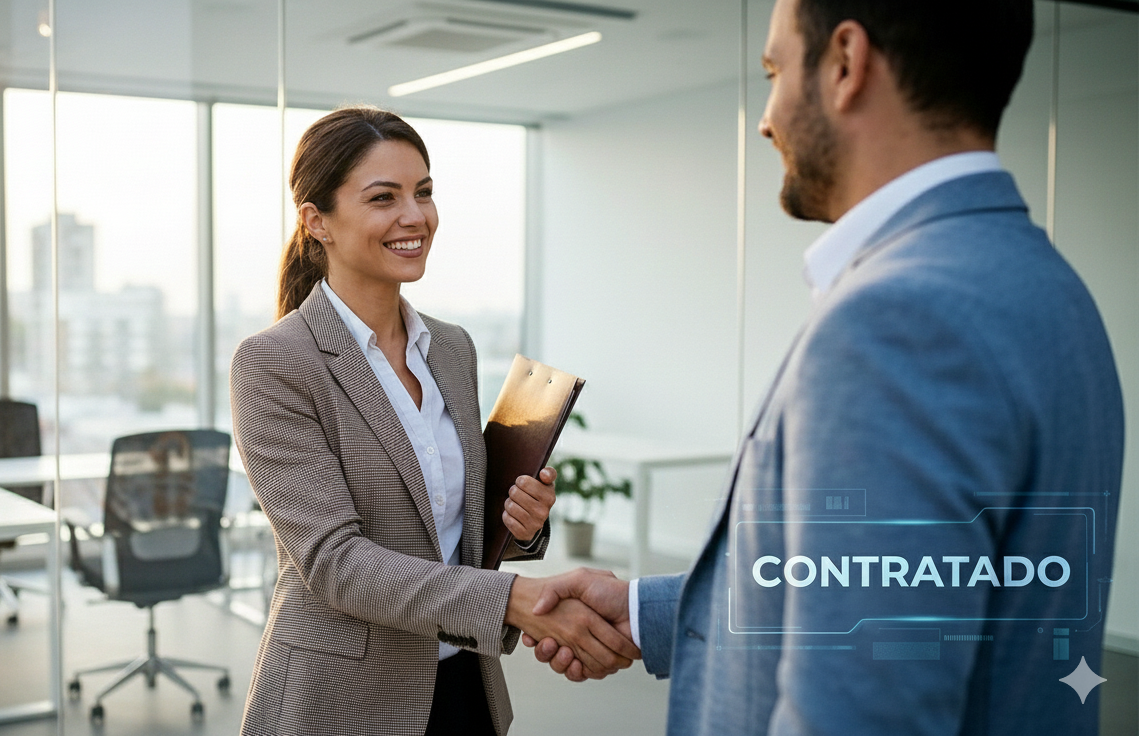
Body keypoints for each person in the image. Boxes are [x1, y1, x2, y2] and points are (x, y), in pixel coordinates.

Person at [527, 1, 1124, 734]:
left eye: (775, 71)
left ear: (845, 64)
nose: (765, 117)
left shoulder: (900, 319)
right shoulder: (1048, 286)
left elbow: (867, 707)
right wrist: (650, 611)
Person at [229, 106, 640, 736]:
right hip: (342, 697)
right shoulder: (274, 362)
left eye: (423, 192)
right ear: (317, 221)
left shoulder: (452, 349)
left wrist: (522, 525)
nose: (414, 216)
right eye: (383, 197)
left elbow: (458, 532)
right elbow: (336, 562)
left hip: (463, 683)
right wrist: (521, 602)